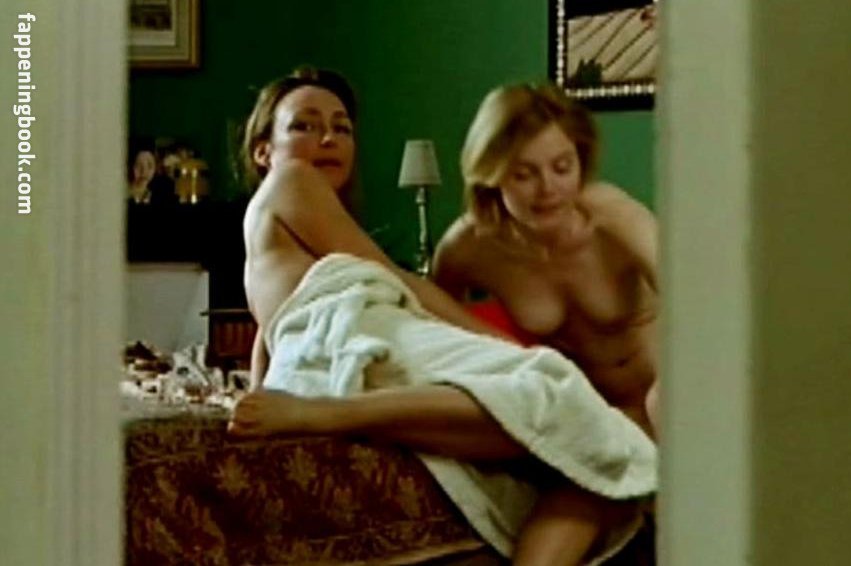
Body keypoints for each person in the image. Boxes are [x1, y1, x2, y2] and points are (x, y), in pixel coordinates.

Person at [228, 67, 649, 566]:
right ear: (263, 150)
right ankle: (329, 411)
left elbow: (273, 326)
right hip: (356, 326)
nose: (328, 138)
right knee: (554, 392)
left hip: (328, 343)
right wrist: (511, 350)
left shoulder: (277, 228)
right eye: (305, 125)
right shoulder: (293, 179)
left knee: (585, 441)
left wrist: (258, 392)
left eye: (342, 127)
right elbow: (399, 281)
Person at [432, 83, 661, 441]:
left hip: (666, 401)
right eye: (523, 174)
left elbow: (700, 311)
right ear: (492, 174)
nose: (547, 188)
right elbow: (435, 333)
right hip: (583, 421)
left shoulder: (615, 220)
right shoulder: (467, 249)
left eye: (562, 167)